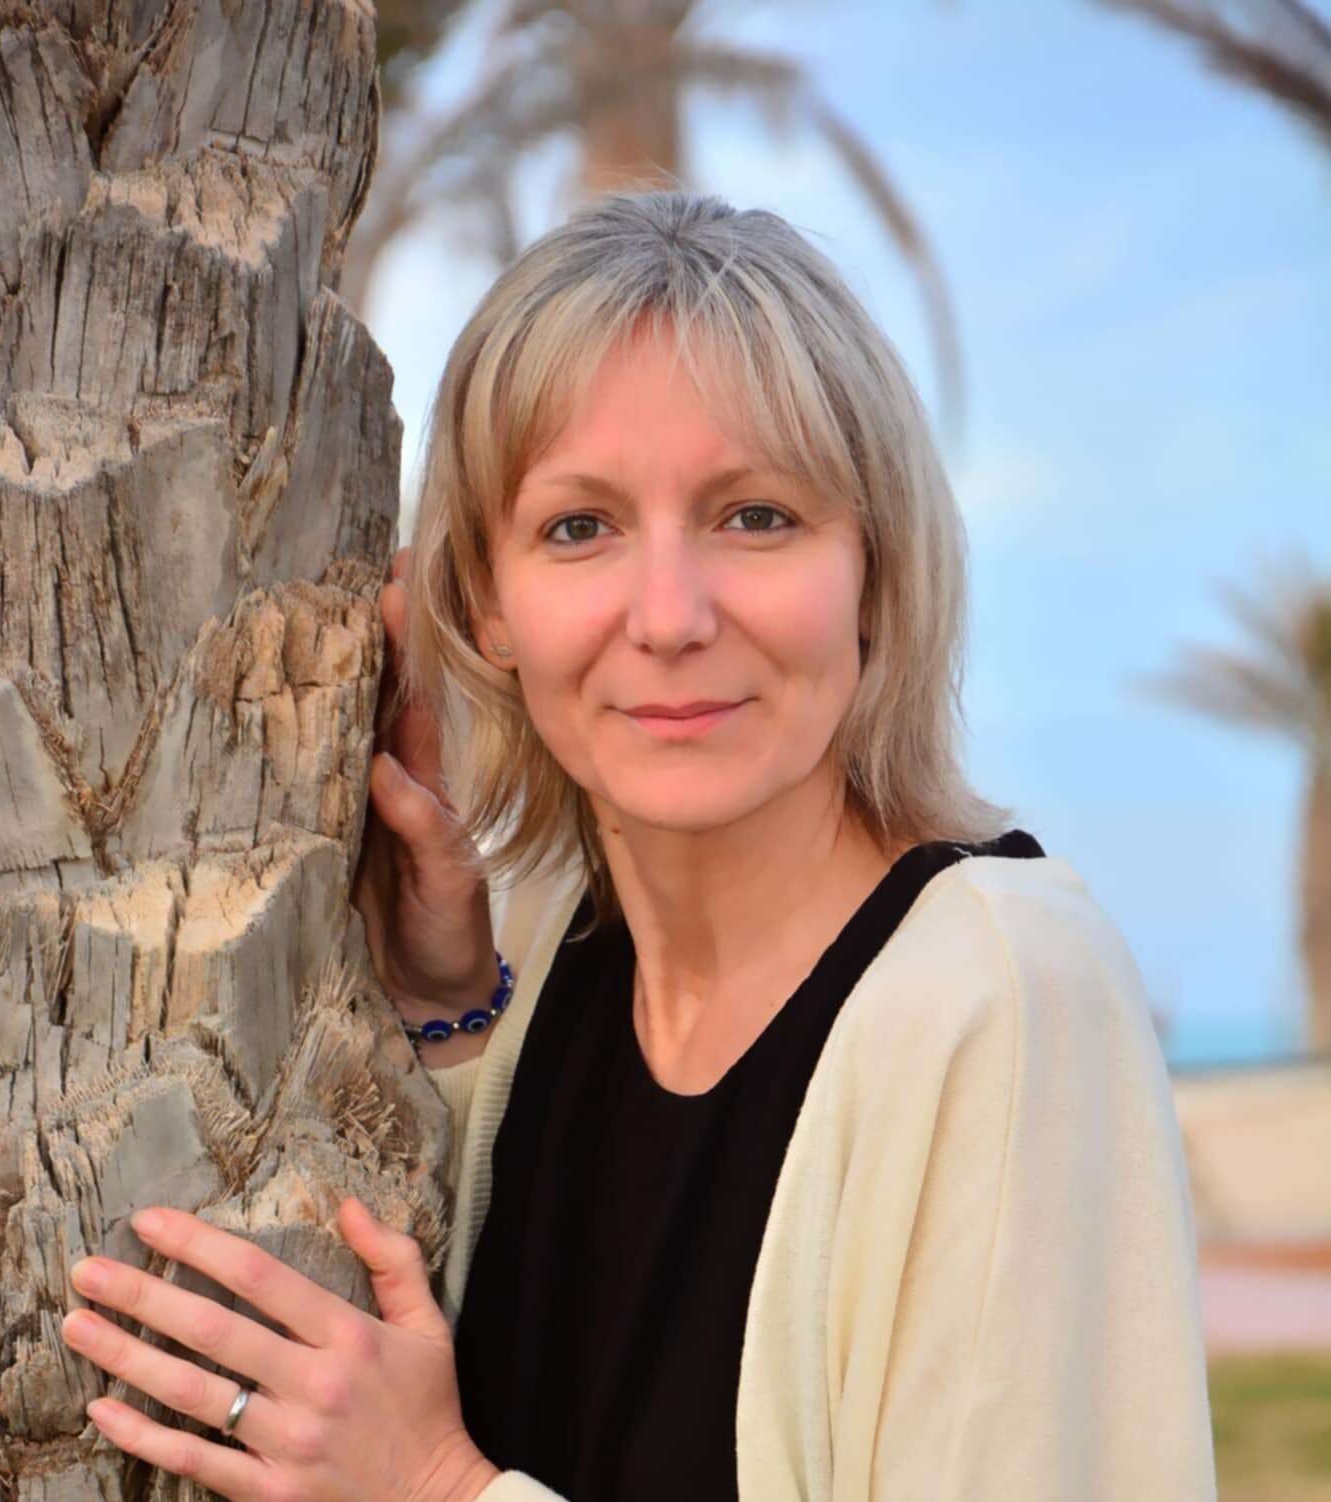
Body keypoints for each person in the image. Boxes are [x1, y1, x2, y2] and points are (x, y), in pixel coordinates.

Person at [61, 190, 1219, 1502]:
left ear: (875, 576)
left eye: (757, 516)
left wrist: (437, 1486)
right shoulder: (560, 940)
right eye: (579, 527)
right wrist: (451, 1008)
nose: (669, 615)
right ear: (487, 605)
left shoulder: (1003, 996)